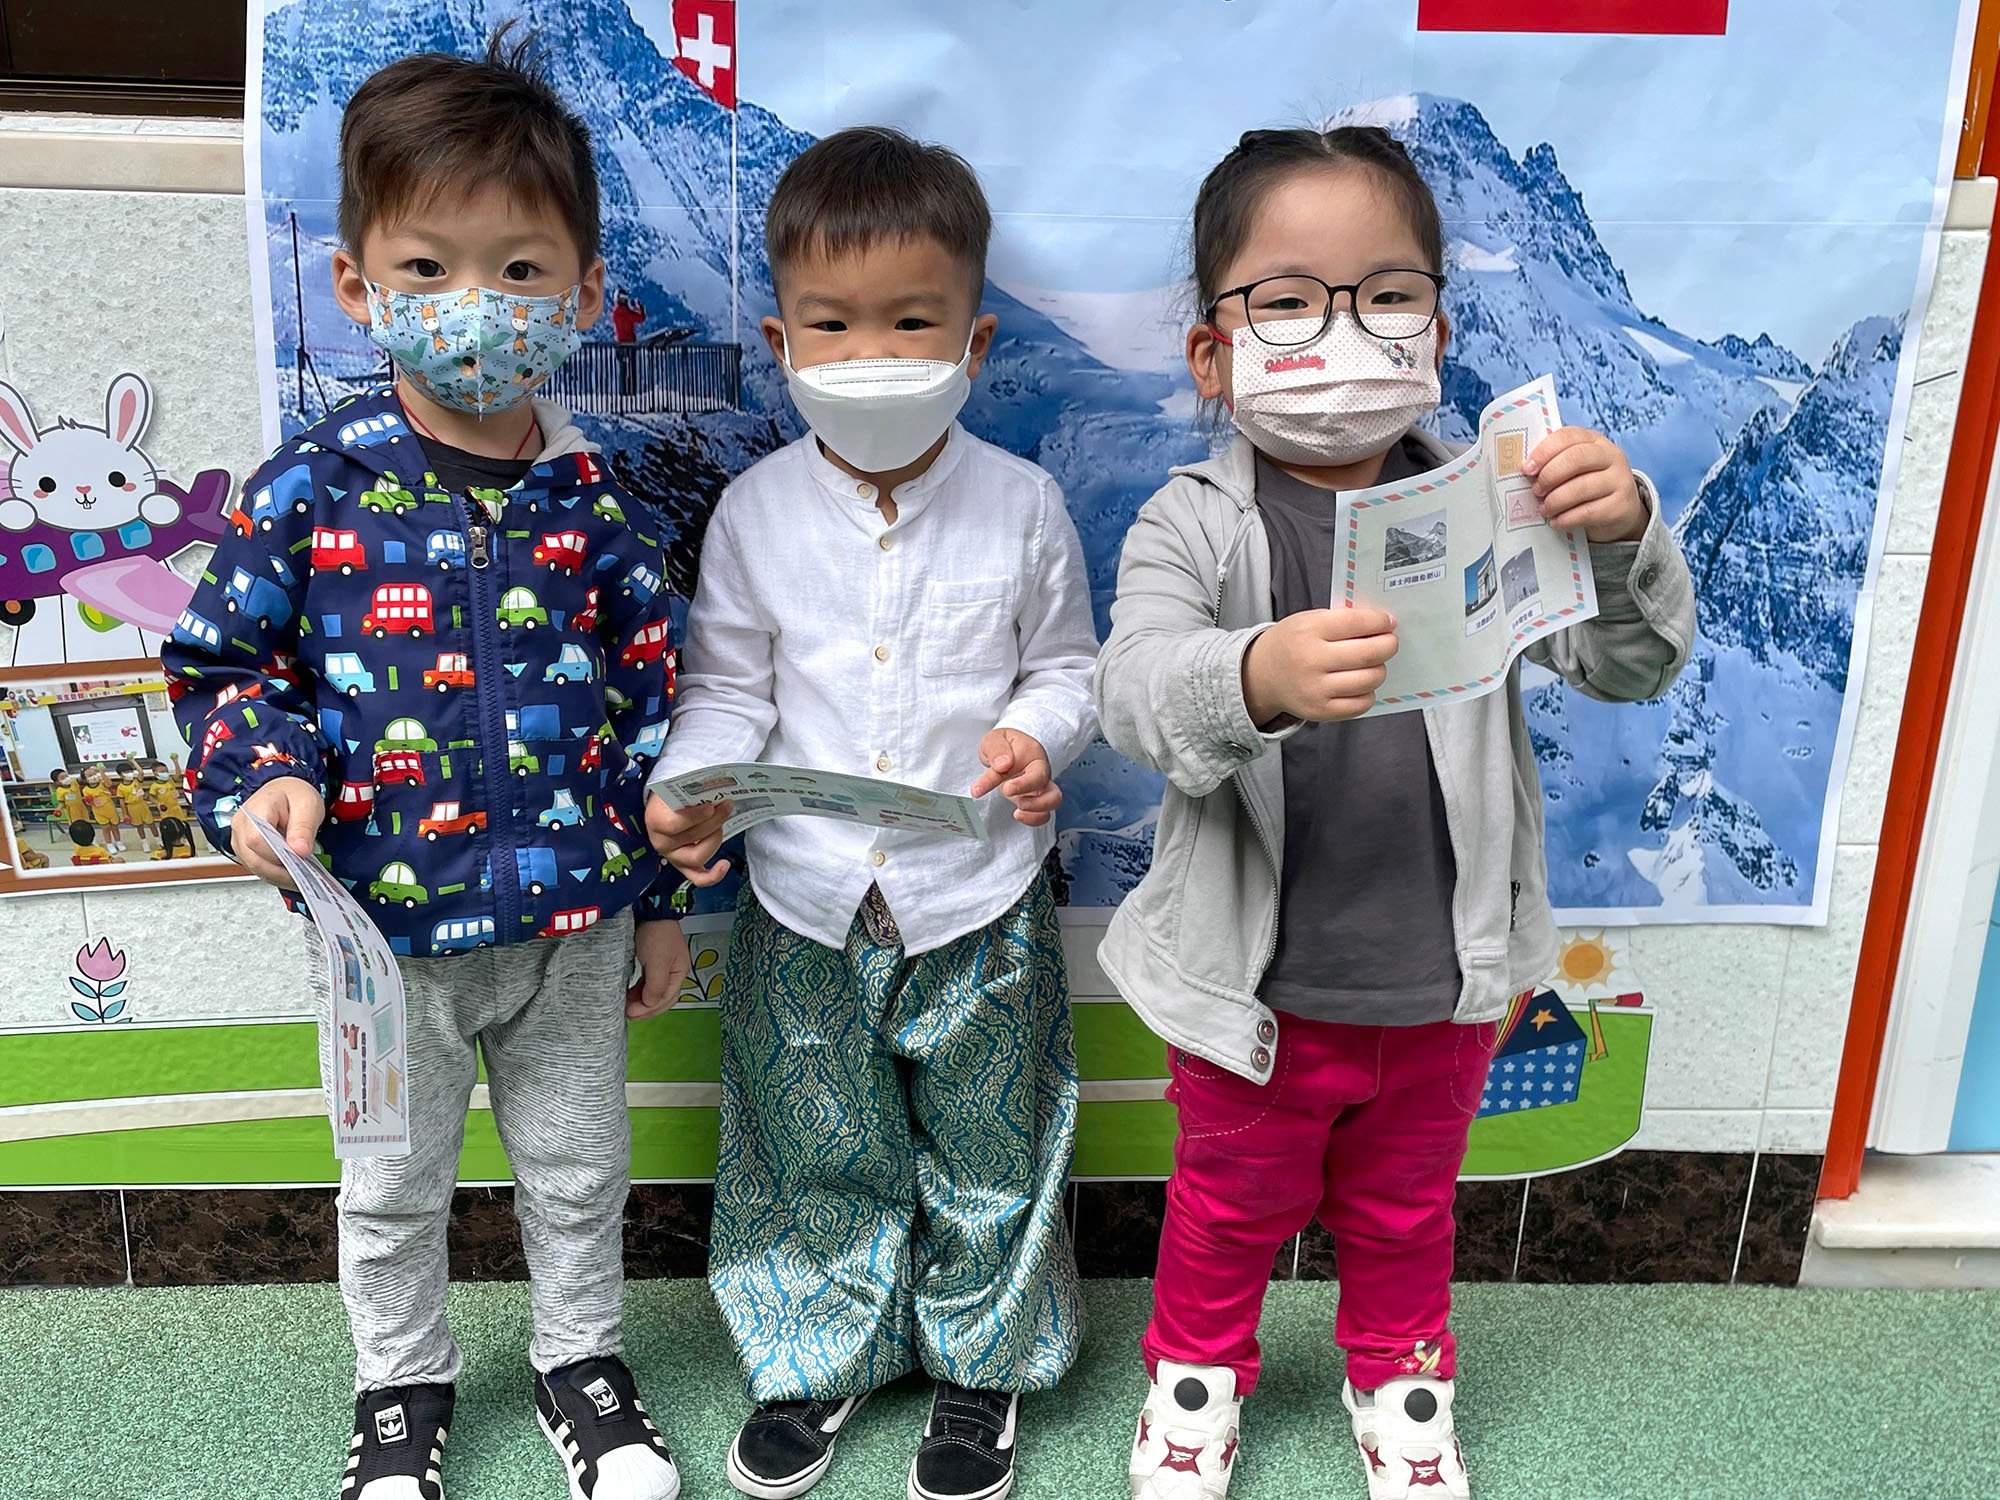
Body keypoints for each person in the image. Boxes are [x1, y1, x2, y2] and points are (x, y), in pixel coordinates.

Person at [1098, 126, 1696, 1500]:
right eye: (1287, 302)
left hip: (1441, 983)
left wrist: (1621, 535)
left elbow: (1627, 666)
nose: (1343, 331)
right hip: (1255, 990)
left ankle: (1402, 1382)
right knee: (1225, 1209)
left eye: (1385, 295)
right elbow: (1131, 693)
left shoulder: (1498, 503)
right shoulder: (1190, 525)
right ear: (1211, 354)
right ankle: (1193, 1385)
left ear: (1437, 327)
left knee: (1406, 1210)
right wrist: (1252, 673)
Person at [160, 27, 688, 1500]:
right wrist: (260, 776)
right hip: (380, 933)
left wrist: (660, 901)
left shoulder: (597, 505)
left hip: (575, 927)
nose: (479, 304)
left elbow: (652, 710)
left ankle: (584, 1364)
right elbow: (221, 666)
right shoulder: (307, 489)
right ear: (356, 284)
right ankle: (399, 1388)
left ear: (582, 289)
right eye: (430, 267)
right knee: (391, 1184)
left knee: (580, 1168)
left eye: (520, 270)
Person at [645, 126, 1098, 1500]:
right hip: (804, 896)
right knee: (813, 1136)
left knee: (993, 1141)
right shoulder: (754, 512)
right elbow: (728, 687)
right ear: (781, 339)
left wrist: (1035, 736)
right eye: (833, 325)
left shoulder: (1023, 507)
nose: (870, 353)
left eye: (910, 321)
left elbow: (1067, 666)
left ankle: (982, 1365)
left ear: (974, 341)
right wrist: (690, 785)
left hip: (979, 896)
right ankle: (816, 1354)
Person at [611, 290, 646, 401]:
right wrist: (639, 307)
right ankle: (632, 392)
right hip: (630, 344)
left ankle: (623, 392)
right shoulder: (627, 312)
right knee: (632, 369)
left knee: (622, 369)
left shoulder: (615, 312)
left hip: (620, 344)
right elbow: (641, 318)